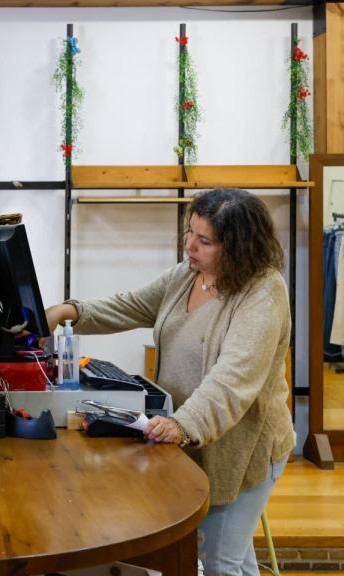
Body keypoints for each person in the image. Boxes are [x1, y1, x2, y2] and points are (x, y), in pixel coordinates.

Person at [45, 188, 295, 576]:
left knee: (220, 562)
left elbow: (232, 380)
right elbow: (132, 305)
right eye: (189, 233)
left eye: (205, 240)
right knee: (234, 554)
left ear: (240, 247)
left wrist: (183, 424)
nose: (190, 246)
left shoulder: (263, 293)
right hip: (194, 436)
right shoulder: (188, 275)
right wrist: (70, 311)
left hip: (243, 446)